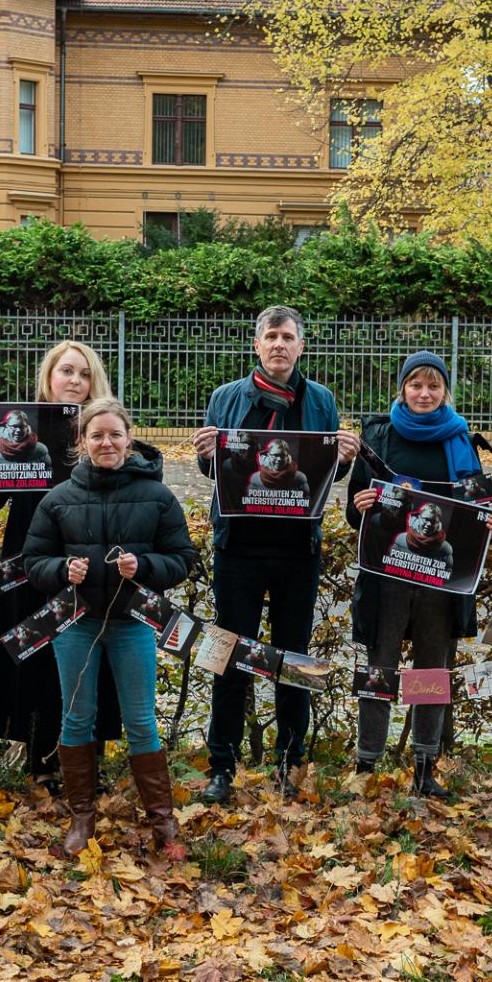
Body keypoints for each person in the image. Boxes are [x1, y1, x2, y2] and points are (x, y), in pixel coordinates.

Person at [191, 306, 359, 802]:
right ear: (257, 345)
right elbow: (215, 474)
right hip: (238, 548)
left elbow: (327, 477)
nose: (280, 345)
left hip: (296, 550)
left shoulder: (321, 400)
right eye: (271, 336)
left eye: (288, 337)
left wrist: (343, 459)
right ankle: (222, 764)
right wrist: (205, 456)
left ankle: (292, 761)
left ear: (301, 346)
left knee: (294, 658)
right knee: (228, 656)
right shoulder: (225, 398)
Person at [0, 340, 121, 793]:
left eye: (83, 373)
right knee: (33, 659)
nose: (75, 381)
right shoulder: (19, 433)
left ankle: (85, 764)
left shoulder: (103, 430)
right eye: (66, 372)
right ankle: (39, 763)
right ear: (49, 379)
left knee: (89, 661)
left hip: (90, 566)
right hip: (30, 566)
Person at [22, 399, 198, 858]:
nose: (106, 443)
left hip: (133, 623)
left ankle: (163, 823)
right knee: (77, 718)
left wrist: (146, 566)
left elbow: (183, 558)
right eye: (96, 435)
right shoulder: (58, 498)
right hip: (76, 624)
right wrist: (63, 570)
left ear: (129, 437)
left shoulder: (157, 496)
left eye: (115, 435)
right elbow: (33, 562)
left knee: (141, 722)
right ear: (81, 442)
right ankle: (81, 818)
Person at [345, 351, 492, 799]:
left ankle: (424, 765)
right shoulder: (377, 436)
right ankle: (366, 764)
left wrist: (489, 525)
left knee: (430, 670)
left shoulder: (462, 443)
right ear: (403, 389)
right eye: (415, 384)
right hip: (388, 575)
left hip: (441, 580)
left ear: (445, 392)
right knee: (380, 667)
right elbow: (352, 512)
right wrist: (362, 506)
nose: (424, 393)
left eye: (433, 386)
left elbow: (479, 511)